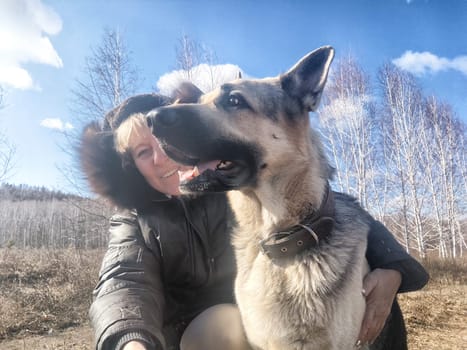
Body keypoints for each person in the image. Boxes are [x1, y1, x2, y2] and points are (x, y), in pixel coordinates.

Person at [80, 93, 429, 350]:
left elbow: (331, 209)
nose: (159, 158)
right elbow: (123, 281)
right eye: (143, 153)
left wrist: (393, 267)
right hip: (198, 334)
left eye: (161, 141)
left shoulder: (231, 181)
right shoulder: (134, 221)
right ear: (131, 168)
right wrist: (130, 341)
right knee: (220, 326)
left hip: (268, 319)